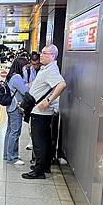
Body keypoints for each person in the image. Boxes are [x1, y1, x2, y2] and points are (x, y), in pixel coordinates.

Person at [22, 45, 67, 180]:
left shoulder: (51, 70)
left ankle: (38, 171)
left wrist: (48, 100)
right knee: (45, 141)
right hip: (40, 112)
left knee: (39, 142)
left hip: (40, 113)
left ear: (52, 56)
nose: (41, 55)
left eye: (44, 53)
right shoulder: (47, 68)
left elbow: (62, 84)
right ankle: (43, 166)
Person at [3, 56, 29, 166]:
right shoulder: (17, 77)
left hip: (10, 107)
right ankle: (12, 157)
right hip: (16, 108)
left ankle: (7, 155)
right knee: (15, 132)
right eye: (25, 67)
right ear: (20, 66)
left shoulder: (11, 76)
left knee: (10, 131)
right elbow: (25, 91)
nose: (26, 69)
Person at [22, 52, 41, 152]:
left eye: (37, 63)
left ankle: (35, 142)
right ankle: (31, 141)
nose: (36, 66)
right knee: (30, 122)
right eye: (34, 64)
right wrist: (32, 84)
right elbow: (24, 84)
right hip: (31, 99)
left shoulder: (43, 69)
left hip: (41, 99)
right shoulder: (27, 70)